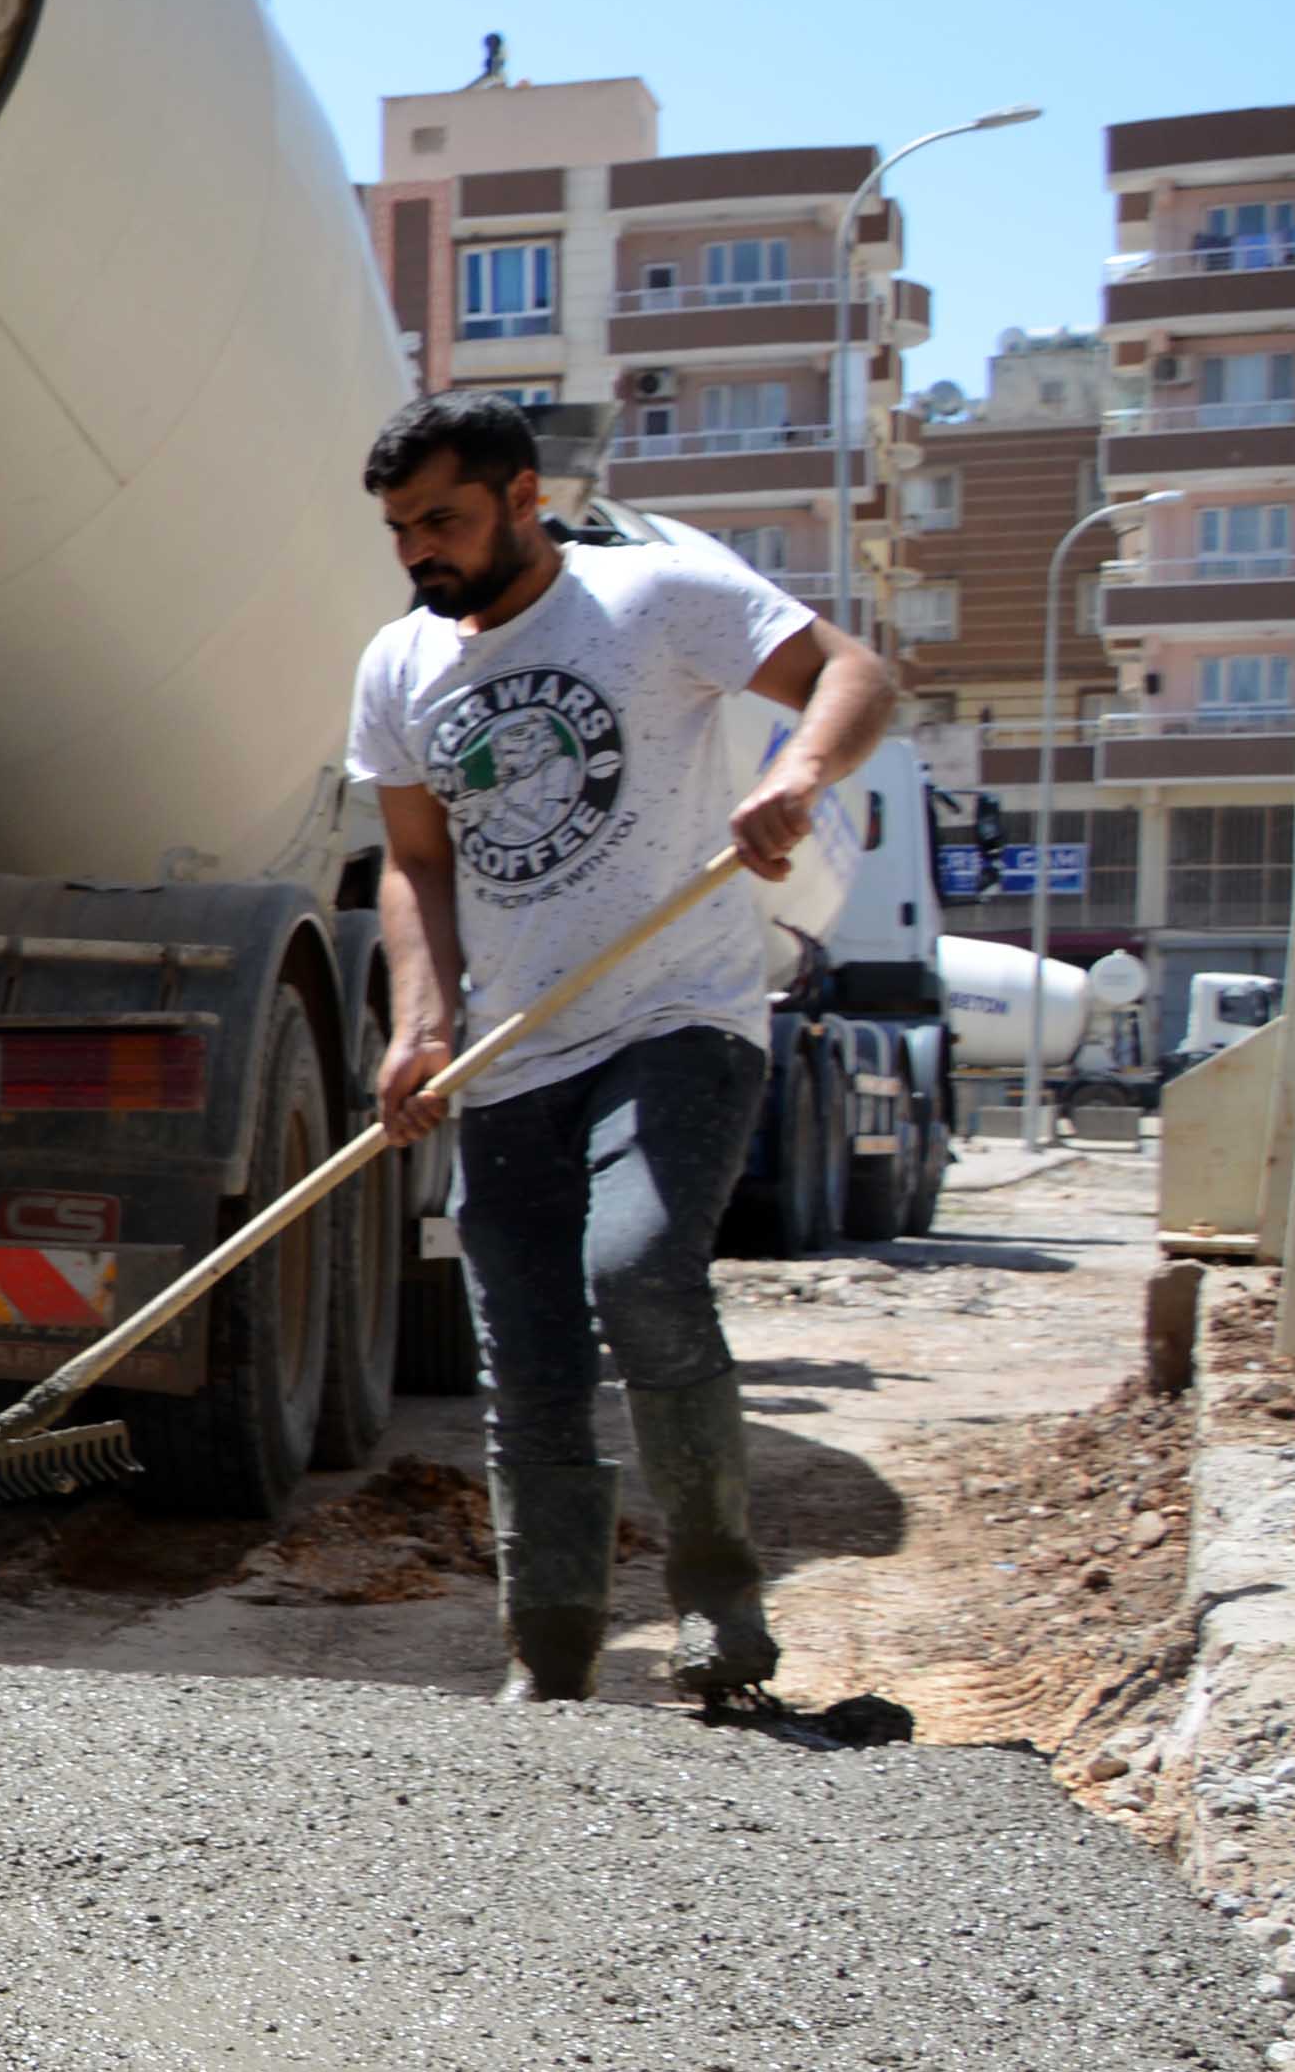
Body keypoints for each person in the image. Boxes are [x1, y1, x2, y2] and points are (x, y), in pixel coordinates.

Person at [352, 391, 903, 1709]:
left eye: (443, 518)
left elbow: (856, 672)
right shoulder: (400, 666)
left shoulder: (655, 596)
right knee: (527, 1355)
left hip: (679, 1017)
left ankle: (721, 1611)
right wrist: (423, 1023)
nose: (419, 548)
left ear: (523, 497)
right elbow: (415, 861)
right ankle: (550, 1655)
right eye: (398, 527)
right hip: (514, 1052)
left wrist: (798, 776)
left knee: (641, 1267)